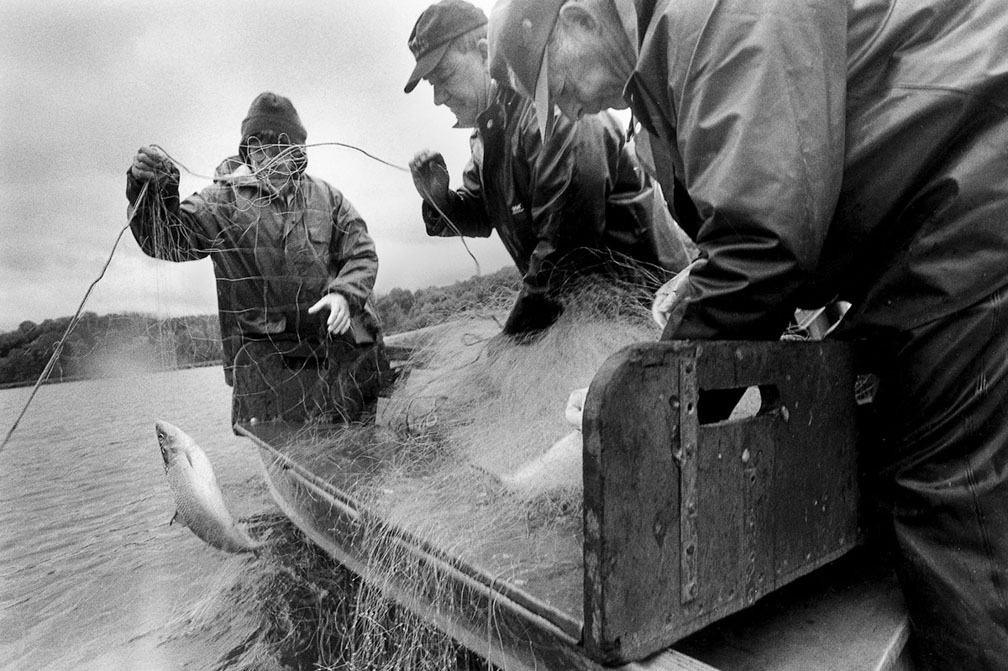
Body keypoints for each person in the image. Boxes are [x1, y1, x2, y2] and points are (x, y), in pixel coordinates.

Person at [488, 0, 1008, 668]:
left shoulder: (712, 15)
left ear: (583, 20)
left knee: (951, 501)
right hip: (927, 220)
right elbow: (772, 190)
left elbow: (763, 242)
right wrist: (704, 273)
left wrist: (650, 388)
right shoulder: (664, 62)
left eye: (560, 88)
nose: (566, 110)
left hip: (967, 202)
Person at [404, 0, 694, 340]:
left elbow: (566, 247)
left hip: (647, 312)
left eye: (444, 76)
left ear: (483, 53)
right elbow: (483, 212)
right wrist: (440, 199)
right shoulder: (488, 136)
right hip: (587, 321)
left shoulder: (554, 107)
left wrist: (511, 340)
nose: (439, 98)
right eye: (431, 86)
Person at [127, 92, 390, 426]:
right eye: (260, 147)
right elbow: (165, 241)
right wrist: (150, 189)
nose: (271, 158)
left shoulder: (328, 197)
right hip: (270, 370)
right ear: (248, 151)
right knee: (291, 435)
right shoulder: (219, 202)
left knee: (355, 437)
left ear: (299, 153)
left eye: (282, 147)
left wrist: (344, 294)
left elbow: (362, 252)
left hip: (339, 356)